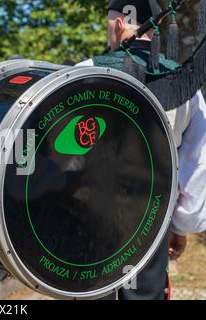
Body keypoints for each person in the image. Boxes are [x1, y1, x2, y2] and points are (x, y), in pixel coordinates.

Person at [77, 0, 206, 300]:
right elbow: (196, 163)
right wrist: (181, 226)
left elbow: (61, 154)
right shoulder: (185, 83)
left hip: (91, 218)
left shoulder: (85, 72)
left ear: (119, 24)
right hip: (152, 217)